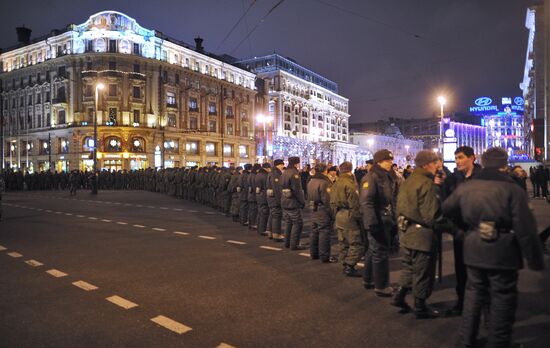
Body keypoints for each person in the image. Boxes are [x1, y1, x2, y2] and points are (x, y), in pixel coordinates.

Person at [442, 147, 544, 347]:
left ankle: (466, 340)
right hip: (502, 250)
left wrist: (461, 232)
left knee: (473, 296)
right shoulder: (512, 188)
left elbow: (443, 210)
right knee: (502, 298)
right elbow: (526, 227)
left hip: (472, 248)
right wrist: (534, 258)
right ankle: (498, 342)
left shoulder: (467, 187)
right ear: (504, 165)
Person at [391, 150, 443, 319]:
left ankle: (399, 296)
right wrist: (450, 227)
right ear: (426, 164)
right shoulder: (426, 183)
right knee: (423, 270)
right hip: (422, 234)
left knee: (409, 266)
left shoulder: (409, 180)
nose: (438, 166)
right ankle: (420, 306)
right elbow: (431, 215)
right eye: (435, 163)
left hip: (407, 231)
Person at [443, 146, 482, 316]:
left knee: (480, 271)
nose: (457, 161)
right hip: (460, 231)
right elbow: (444, 203)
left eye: (460, 157)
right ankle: (461, 303)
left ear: (472, 157)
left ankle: (483, 307)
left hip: (480, 233)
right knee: (461, 269)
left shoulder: (483, 176)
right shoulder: (453, 178)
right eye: (456, 158)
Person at [360, 149, 397, 296]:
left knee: (373, 250)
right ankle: (381, 286)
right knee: (380, 252)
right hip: (377, 220)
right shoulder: (372, 177)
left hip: (384, 219)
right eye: (387, 160)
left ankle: (368, 279)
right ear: (379, 162)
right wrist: (372, 224)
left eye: (390, 160)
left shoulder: (384, 176)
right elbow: (366, 202)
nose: (391, 163)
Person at [330, 161, 364, 277]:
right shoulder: (350, 184)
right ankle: (350, 265)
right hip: (349, 215)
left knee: (343, 241)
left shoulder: (336, 182)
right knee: (356, 242)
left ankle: (345, 262)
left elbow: (332, 201)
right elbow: (354, 203)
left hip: (339, 214)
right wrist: (359, 218)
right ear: (351, 169)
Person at [307, 163, 337, 263]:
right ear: (325, 170)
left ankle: (313, 253)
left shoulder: (311, 180)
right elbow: (327, 200)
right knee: (324, 232)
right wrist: (332, 214)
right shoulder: (324, 182)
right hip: (322, 209)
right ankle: (324, 256)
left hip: (313, 208)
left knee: (314, 232)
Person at [281, 157, 306, 250]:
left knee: (288, 223)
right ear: (296, 163)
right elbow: (297, 190)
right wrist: (302, 201)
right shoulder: (294, 173)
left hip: (284, 200)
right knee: (297, 223)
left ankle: (287, 242)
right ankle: (294, 244)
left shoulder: (285, 172)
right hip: (292, 201)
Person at [267, 159, 285, 242]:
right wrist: (279, 201)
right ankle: (276, 234)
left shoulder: (272, 172)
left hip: (271, 198)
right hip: (274, 199)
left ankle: (270, 232)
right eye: (282, 165)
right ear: (279, 165)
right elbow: (277, 189)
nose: (283, 166)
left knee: (272, 215)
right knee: (276, 216)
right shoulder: (276, 173)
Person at [255, 163, 271, 236]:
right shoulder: (265, 176)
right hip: (264, 196)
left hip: (259, 195)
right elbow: (267, 186)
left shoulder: (258, 174)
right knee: (264, 213)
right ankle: (262, 229)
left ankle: (259, 228)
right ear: (267, 168)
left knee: (260, 212)